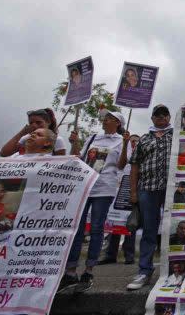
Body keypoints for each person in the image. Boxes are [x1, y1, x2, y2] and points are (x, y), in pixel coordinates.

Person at [59, 110, 125, 293]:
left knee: (96, 227)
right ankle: (70, 271)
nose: (105, 120)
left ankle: (89, 270)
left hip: (105, 187)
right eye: (104, 117)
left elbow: (121, 165)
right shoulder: (94, 137)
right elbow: (79, 158)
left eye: (109, 118)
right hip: (86, 185)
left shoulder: (121, 140)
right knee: (77, 228)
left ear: (117, 122)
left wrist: (127, 144)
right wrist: (75, 143)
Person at [127, 104, 174, 290]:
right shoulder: (144, 139)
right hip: (147, 188)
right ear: (152, 118)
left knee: (174, 230)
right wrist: (133, 192)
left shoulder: (178, 135)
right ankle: (144, 271)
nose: (161, 117)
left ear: (169, 117)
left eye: (164, 114)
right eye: (157, 114)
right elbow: (135, 166)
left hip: (172, 189)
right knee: (149, 230)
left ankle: (175, 270)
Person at [100, 132, 140, 265]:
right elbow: (118, 167)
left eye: (136, 141)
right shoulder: (123, 153)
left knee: (130, 223)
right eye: (132, 141)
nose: (134, 143)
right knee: (114, 221)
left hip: (132, 192)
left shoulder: (141, 155)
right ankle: (110, 254)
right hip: (118, 191)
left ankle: (129, 255)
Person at [0, 108, 66, 156]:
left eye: (38, 122)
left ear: (48, 122)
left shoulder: (57, 140)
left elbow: (60, 163)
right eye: (31, 123)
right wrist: (22, 132)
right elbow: (4, 153)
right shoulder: (26, 138)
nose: (34, 125)